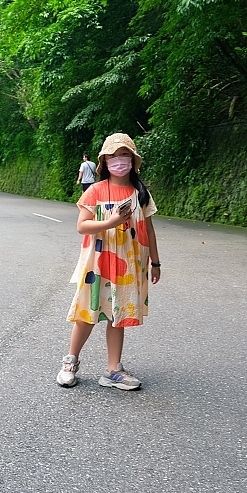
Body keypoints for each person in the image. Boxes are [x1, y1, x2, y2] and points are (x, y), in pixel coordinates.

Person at [57, 133, 161, 391]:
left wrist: (156, 263)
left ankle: (113, 370)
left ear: (133, 160)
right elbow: (82, 226)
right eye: (113, 155)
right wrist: (111, 222)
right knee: (87, 312)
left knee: (118, 315)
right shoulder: (95, 190)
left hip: (129, 264)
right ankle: (70, 362)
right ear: (104, 161)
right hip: (98, 263)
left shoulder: (141, 193)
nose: (119, 160)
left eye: (124, 154)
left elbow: (149, 228)